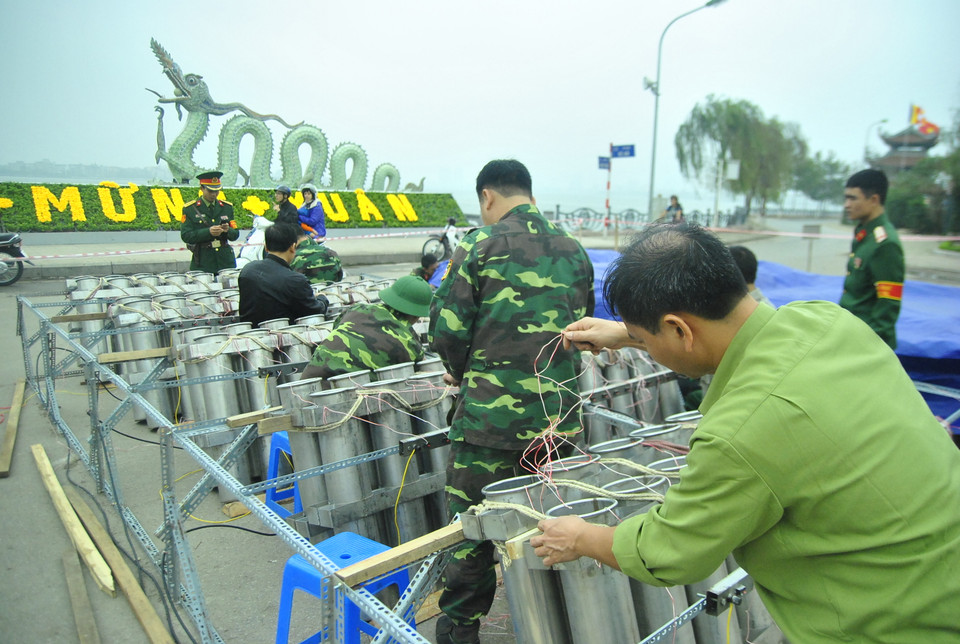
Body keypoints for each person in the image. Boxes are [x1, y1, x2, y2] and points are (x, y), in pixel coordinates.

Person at [530, 222, 960, 644]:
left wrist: (581, 536)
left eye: (648, 335)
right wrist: (629, 335)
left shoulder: (738, 433)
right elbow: (710, 335)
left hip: (891, 625)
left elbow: (668, 552)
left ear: (680, 329)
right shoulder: (826, 320)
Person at [429, 159, 595, 644]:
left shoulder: (479, 246)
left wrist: (465, 376)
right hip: (556, 424)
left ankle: (461, 629)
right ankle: (558, 624)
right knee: (551, 527)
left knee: (471, 532)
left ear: (487, 197)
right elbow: (583, 325)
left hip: (488, 424)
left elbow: (449, 329)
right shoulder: (573, 249)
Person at [300, 275, 431, 380]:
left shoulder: (357, 309)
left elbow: (336, 329)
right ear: (417, 315)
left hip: (308, 382)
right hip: (343, 399)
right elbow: (422, 373)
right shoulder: (409, 343)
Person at [839, 169, 904, 348]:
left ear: (874, 200)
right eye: (846, 198)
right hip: (851, 332)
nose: (846, 204)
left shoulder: (885, 244)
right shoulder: (864, 235)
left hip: (866, 342)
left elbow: (887, 306)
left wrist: (871, 349)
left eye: (853, 198)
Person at [238, 223, 328, 326]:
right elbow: (315, 311)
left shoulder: (248, 270)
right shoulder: (295, 280)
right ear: (293, 247)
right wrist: (322, 298)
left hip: (249, 335)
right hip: (284, 337)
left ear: (266, 247)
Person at [180, 171, 239, 274]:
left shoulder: (226, 207)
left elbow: (235, 234)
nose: (214, 194)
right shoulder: (190, 209)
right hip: (204, 261)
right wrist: (208, 232)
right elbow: (186, 236)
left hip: (225, 260)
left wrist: (227, 230)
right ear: (202, 188)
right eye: (210, 191)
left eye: (217, 191)